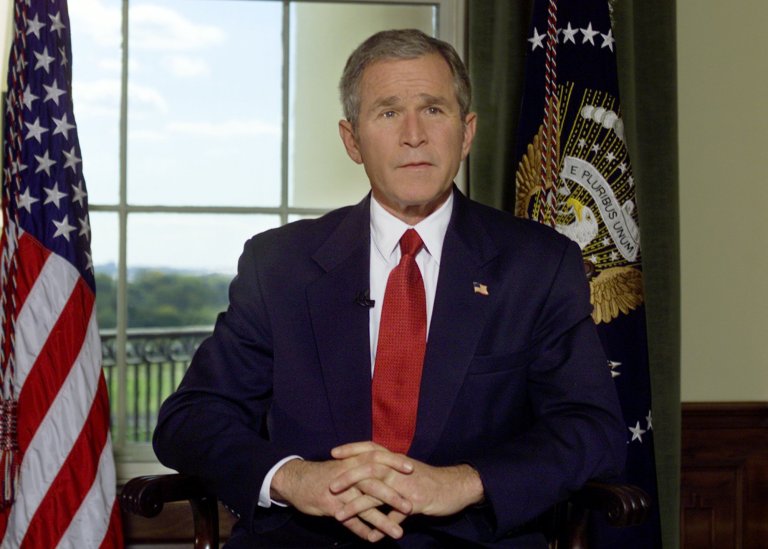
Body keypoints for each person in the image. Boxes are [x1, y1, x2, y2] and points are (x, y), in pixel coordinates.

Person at [153, 29, 626, 548]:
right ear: (352, 140)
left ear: (466, 133)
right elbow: (191, 419)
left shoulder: (539, 264)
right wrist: (293, 479)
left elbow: (591, 428)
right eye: (387, 112)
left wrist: (463, 483)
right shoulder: (280, 265)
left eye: (433, 110)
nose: (414, 135)